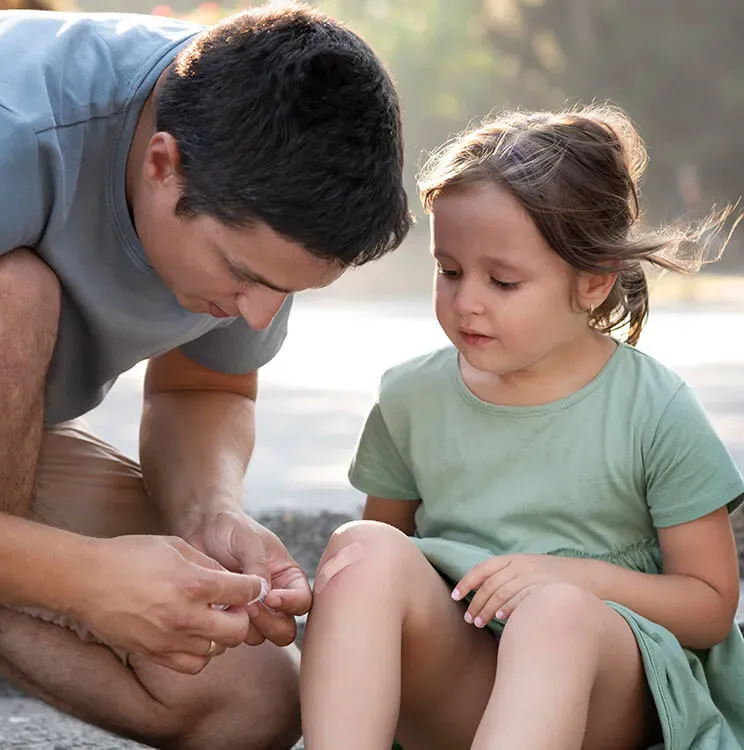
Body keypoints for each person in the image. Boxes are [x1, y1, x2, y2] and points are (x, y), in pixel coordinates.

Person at [0, 3, 411, 748]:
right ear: (162, 164)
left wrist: (207, 511)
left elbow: (203, 387)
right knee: (9, 299)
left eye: (287, 292)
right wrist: (81, 579)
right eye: (244, 275)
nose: (259, 317)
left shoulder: (259, 150)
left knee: (249, 701)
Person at [299, 104, 744, 750]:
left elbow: (709, 606)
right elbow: (383, 579)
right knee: (358, 549)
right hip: (467, 681)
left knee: (554, 613)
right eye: (448, 271)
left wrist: (570, 579)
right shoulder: (410, 398)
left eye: (502, 281)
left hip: (606, 695)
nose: (466, 301)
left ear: (593, 281)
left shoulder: (653, 407)